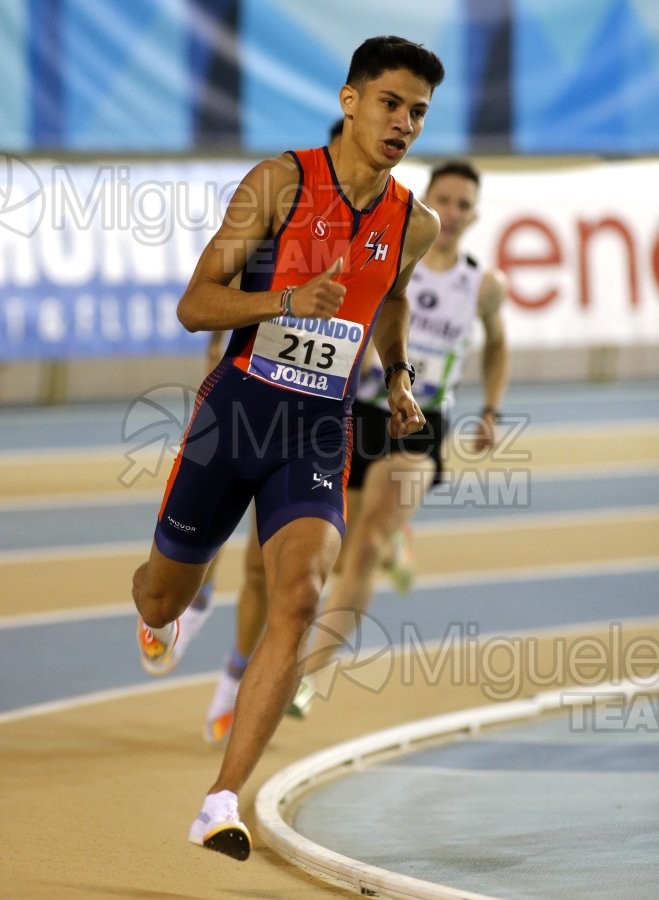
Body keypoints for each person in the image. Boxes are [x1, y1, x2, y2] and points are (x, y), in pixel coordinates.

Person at [132, 35, 445, 862]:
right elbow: (195, 306)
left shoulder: (415, 221)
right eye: (390, 103)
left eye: (418, 111)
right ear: (350, 101)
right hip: (231, 415)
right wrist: (286, 298)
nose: (403, 122)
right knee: (162, 596)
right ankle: (165, 611)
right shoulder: (280, 181)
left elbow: (388, 302)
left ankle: (220, 799)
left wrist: (400, 373)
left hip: (316, 427)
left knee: (298, 596)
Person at [148, 158, 508, 739]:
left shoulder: (475, 279)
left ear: (474, 213)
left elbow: (488, 344)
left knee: (353, 550)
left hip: (405, 420)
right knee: (269, 567)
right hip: (333, 408)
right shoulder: (332, 220)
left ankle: (303, 674)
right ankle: (214, 623)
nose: (454, 211)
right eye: (447, 197)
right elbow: (240, 285)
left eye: (466, 203)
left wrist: (458, 397)